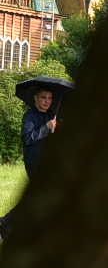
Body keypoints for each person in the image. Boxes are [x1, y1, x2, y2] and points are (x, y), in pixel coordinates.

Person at [0, 85, 60, 240]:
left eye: (49, 98)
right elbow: (28, 138)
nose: (47, 101)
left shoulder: (51, 116)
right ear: (35, 98)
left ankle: (6, 224)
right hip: (34, 161)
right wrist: (46, 128)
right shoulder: (30, 116)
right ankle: (6, 224)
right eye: (43, 97)